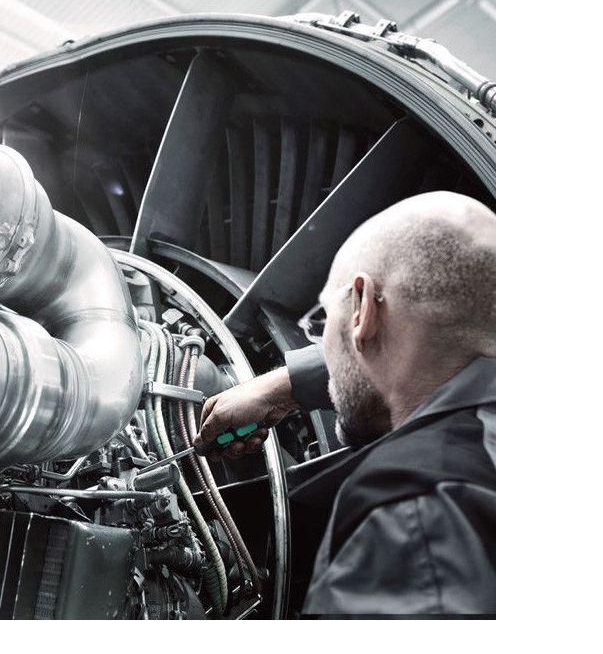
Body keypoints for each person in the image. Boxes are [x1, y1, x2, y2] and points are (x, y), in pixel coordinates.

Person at [194, 191, 495, 616]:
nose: (322, 341)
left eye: (322, 319)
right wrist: (287, 386)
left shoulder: (413, 517)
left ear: (363, 307)